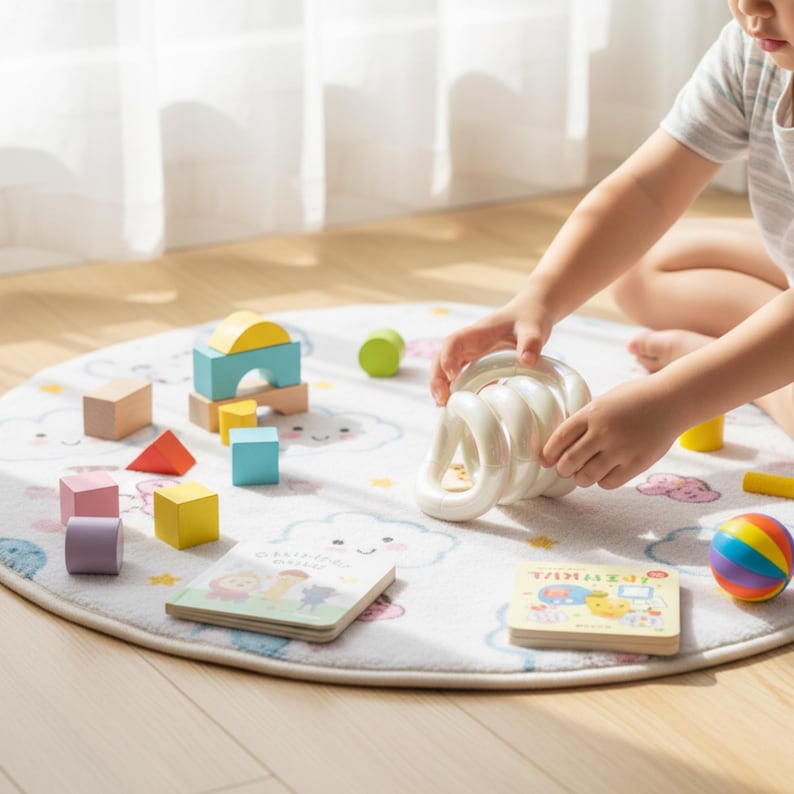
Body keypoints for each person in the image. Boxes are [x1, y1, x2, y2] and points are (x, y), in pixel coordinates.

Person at [429, 0, 794, 491]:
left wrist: (674, 400)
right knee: (642, 273)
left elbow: (671, 403)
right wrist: (539, 297)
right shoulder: (755, 49)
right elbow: (647, 191)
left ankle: (749, 368)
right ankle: (755, 349)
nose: (749, 6)